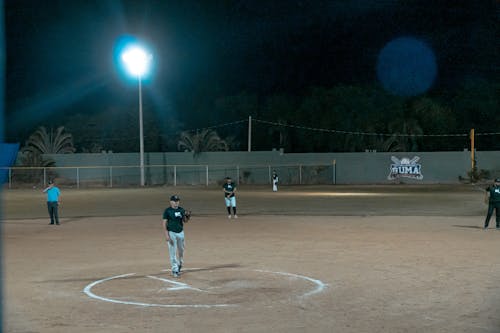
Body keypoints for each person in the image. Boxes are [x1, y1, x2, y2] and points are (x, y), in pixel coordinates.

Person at [162, 195, 191, 277]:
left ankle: (180, 264)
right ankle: (175, 269)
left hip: (181, 233)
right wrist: (166, 234)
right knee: (172, 251)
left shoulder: (181, 210)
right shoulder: (167, 211)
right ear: (171, 202)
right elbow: (164, 223)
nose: (176, 202)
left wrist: (187, 217)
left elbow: (185, 221)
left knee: (181, 250)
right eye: (174, 201)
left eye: (177, 201)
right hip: (171, 233)